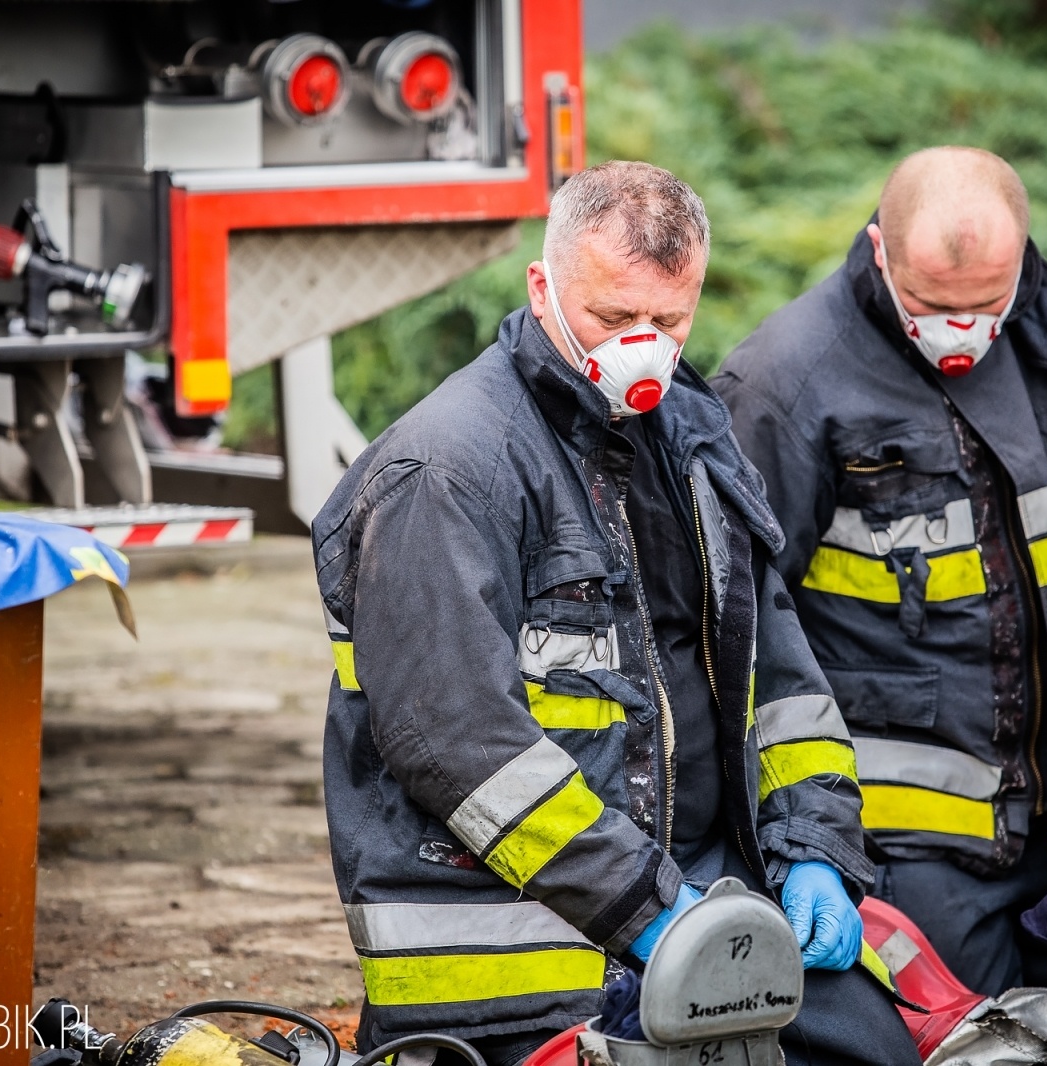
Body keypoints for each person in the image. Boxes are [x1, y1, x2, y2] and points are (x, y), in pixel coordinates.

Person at [313, 161, 920, 1066]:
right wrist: (646, 910)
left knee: (874, 1045)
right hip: (514, 952)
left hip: (699, 894)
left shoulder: (691, 437)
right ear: (542, 286)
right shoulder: (443, 474)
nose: (644, 347)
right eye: (611, 318)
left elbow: (780, 678)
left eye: (670, 320)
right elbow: (458, 746)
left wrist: (818, 850)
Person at [713, 146, 1047, 996]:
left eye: (986, 304)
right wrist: (808, 838)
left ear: (1022, 258)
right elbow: (743, 629)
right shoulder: (786, 386)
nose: (960, 334)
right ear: (880, 250)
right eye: (929, 306)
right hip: (908, 857)